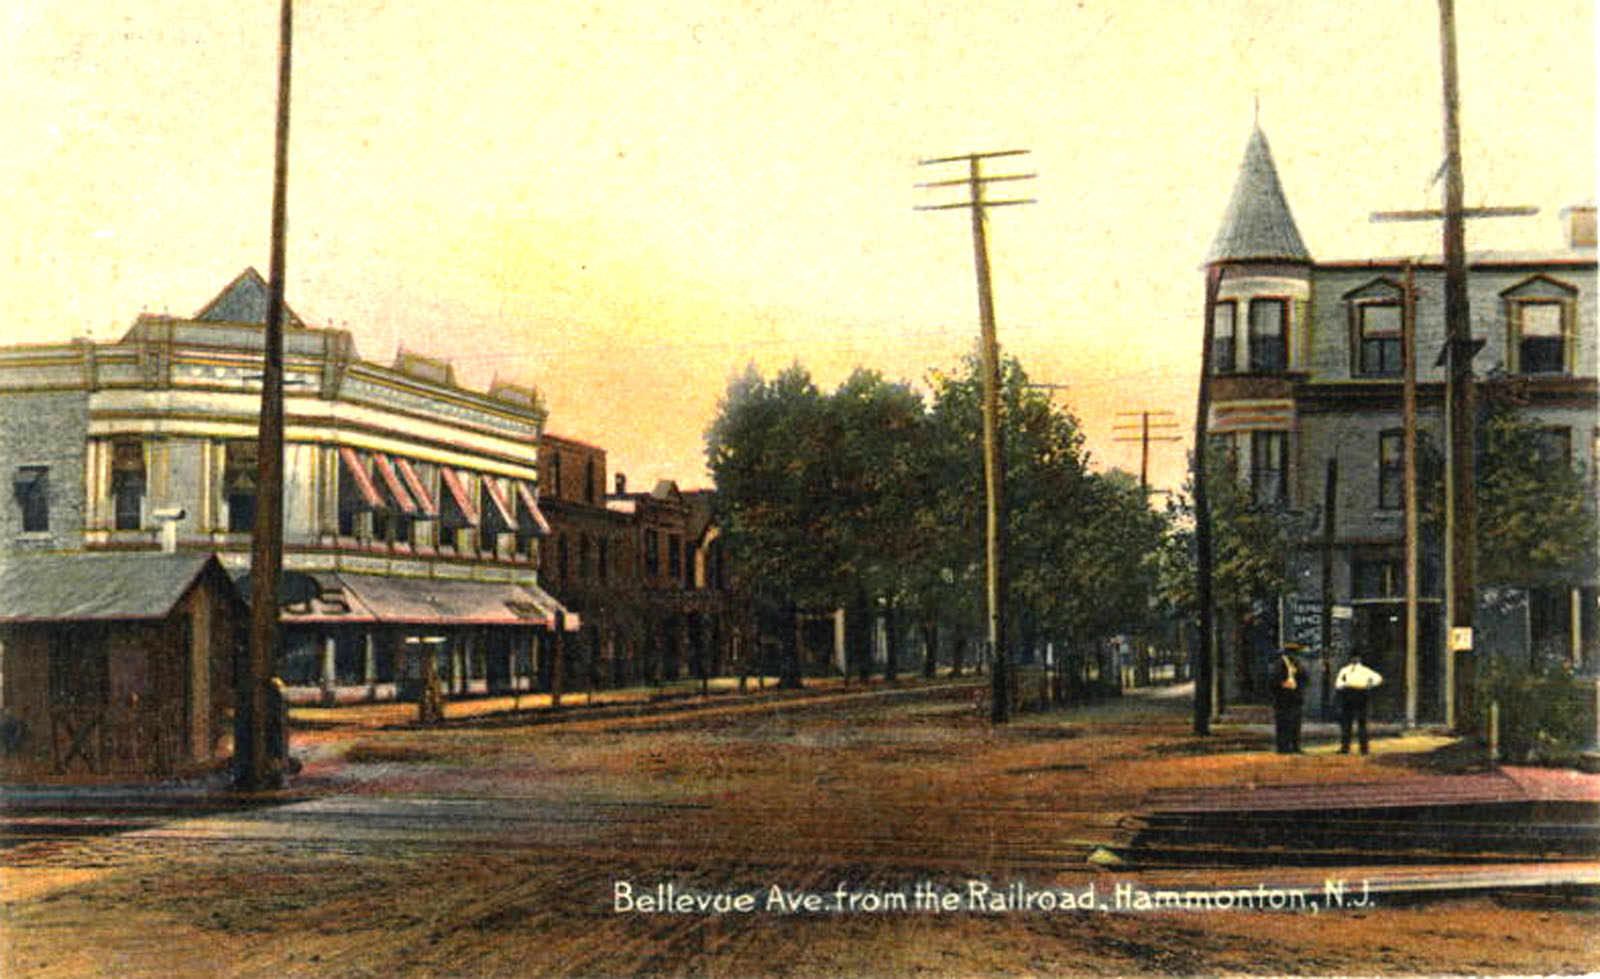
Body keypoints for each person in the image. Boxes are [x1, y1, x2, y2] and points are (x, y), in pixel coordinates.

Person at [1334, 653, 1384, 755]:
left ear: (1360, 659)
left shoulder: (1365, 670)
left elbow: (1378, 678)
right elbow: (1338, 683)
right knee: (1347, 722)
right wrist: (1344, 686)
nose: (1355, 659)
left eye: (1357, 657)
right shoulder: (1345, 670)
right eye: (1353, 657)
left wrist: (1369, 685)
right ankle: (1345, 748)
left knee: (1361, 722)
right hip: (1348, 693)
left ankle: (1363, 748)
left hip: (1361, 693)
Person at [1267, 644, 1308, 754]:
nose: (1295, 656)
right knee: (1284, 723)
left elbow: (1304, 678)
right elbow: (1273, 680)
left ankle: (1295, 746)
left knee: (1296, 723)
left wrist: (1300, 689)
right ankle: (1283, 747)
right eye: (1292, 653)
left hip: (1295, 697)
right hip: (1283, 698)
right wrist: (1282, 684)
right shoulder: (1279, 664)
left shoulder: (1298, 664)